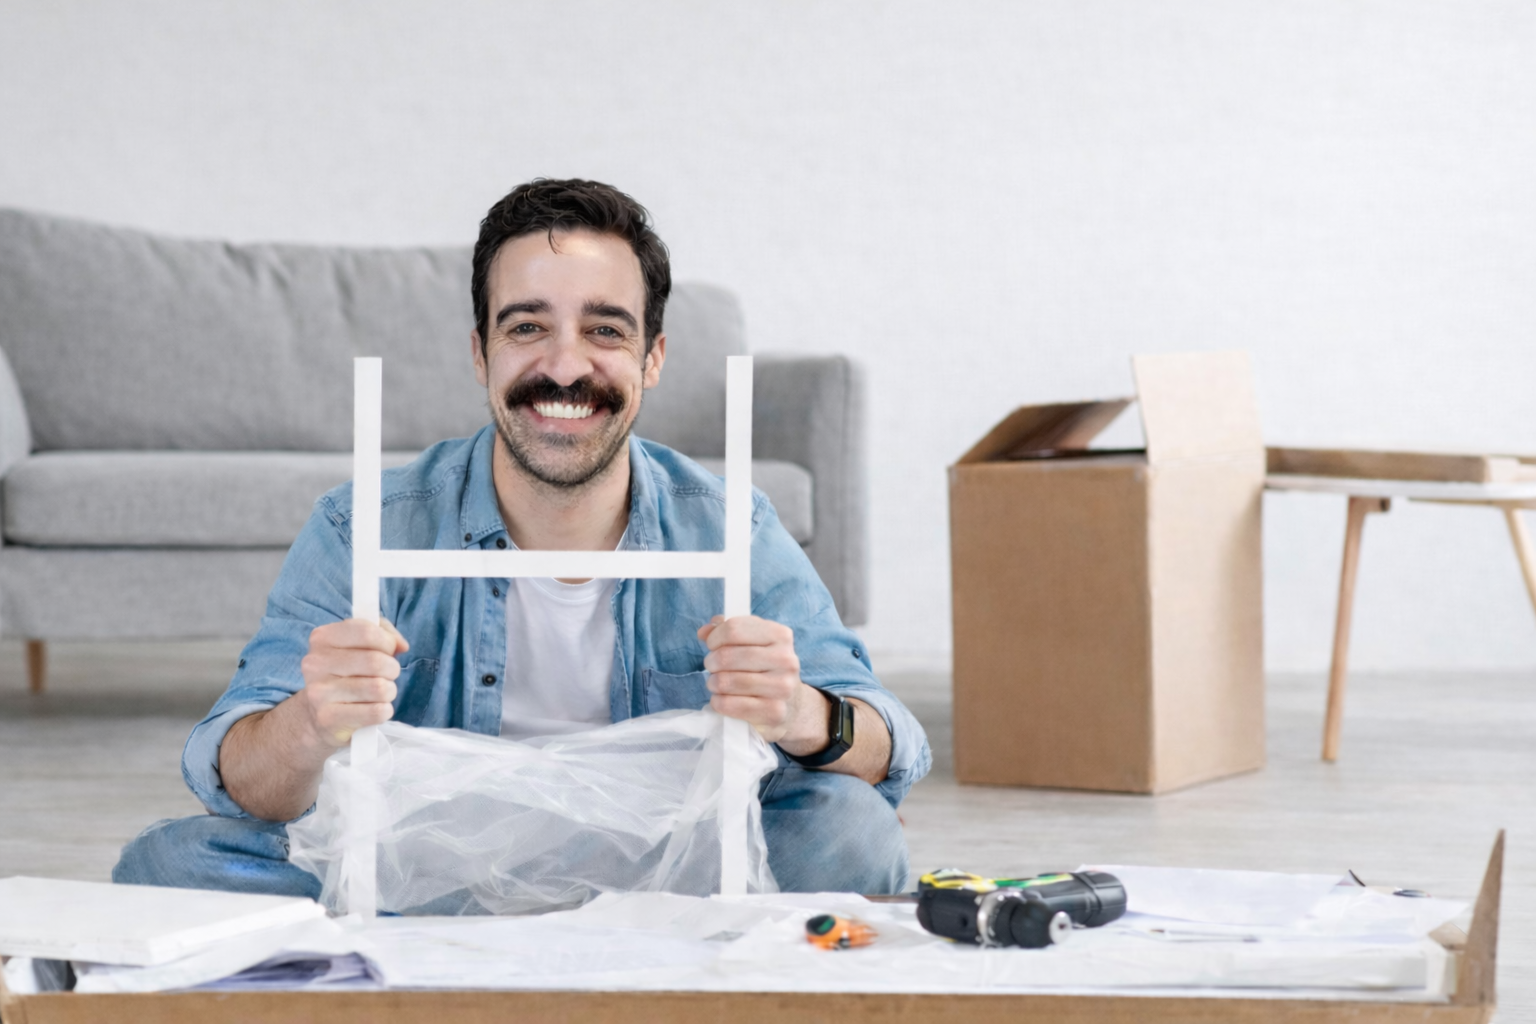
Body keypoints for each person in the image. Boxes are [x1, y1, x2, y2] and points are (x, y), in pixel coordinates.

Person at [113, 178, 930, 899]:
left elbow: (891, 746)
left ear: (653, 360)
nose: (566, 367)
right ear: (481, 353)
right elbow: (242, 783)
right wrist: (308, 723)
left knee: (847, 832)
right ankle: (566, 956)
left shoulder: (728, 526)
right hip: (428, 870)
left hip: (668, 865)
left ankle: (466, 962)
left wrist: (806, 714)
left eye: (606, 331)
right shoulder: (364, 525)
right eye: (528, 328)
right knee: (170, 866)